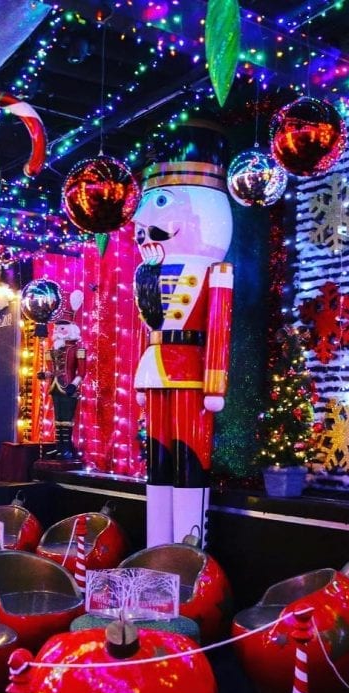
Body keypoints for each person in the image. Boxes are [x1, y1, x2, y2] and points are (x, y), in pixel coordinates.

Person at [132, 122, 234, 546]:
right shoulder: (145, 273)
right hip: (155, 370)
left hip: (192, 373)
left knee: (191, 459)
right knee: (157, 459)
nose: (143, 222)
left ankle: (189, 548)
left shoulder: (216, 272)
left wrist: (215, 384)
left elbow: (219, 329)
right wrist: (141, 381)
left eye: (159, 203)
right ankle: (157, 545)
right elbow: (149, 326)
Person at [37, 303, 86, 460]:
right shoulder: (52, 350)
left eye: (62, 328)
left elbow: (82, 372)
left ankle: (67, 448)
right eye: (57, 328)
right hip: (55, 387)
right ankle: (59, 447)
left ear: (71, 329)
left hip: (68, 387)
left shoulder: (77, 350)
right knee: (58, 419)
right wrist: (44, 374)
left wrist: (73, 385)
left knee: (67, 419)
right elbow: (51, 370)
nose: (58, 331)